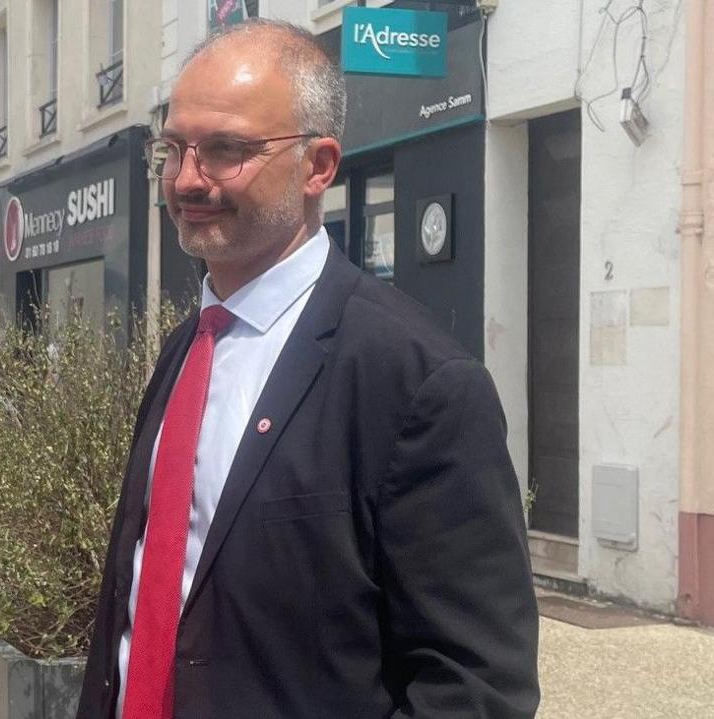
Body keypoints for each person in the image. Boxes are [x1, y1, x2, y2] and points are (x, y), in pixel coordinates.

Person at [76, 20, 539, 719]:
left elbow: (475, 686)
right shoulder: (184, 351)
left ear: (318, 166)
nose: (187, 179)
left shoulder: (418, 383)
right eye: (173, 149)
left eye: (226, 150)